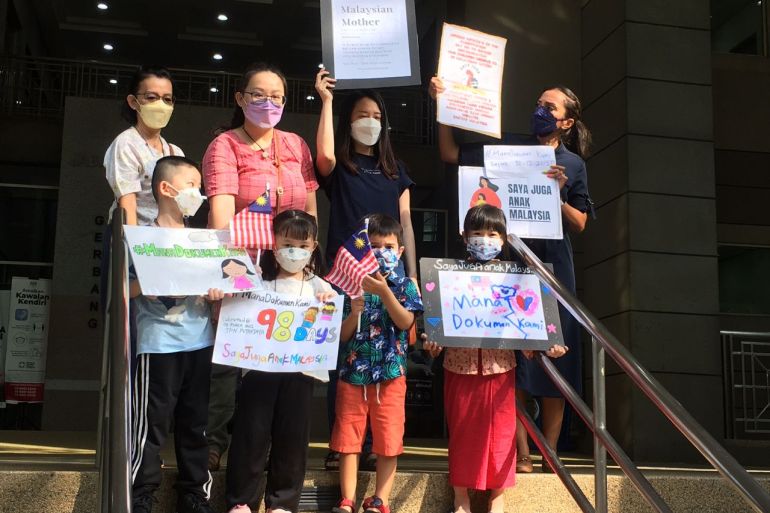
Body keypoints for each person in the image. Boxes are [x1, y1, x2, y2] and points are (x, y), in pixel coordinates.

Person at [429, 77, 594, 472]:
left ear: (567, 122)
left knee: (556, 361)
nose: (540, 111)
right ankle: (521, 452)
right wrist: (442, 106)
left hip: (554, 271)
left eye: (550, 107)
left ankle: (549, 452)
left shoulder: (573, 165)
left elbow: (580, 222)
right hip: (509, 268)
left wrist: (556, 193)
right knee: (514, 361)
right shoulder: (509, 148)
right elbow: (450, 152)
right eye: (539, 103)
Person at [202, 62, 320, 471]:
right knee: (229, 359)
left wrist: (306, 263)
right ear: (240, 98)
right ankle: (214, 441)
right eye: (258, 95)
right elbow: (221, 219)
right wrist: (229, 272)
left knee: (278, 360)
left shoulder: (296, 145)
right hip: (242, 265)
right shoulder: (225, 145)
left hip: (288, 269)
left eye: (276, 97)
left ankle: (266, 450)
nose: (268, 103)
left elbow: (310, 210)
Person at [422, 204, 568, 513]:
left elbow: (528, 325)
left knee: (502, 432)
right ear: (465, 237)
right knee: (462, 430)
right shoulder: (449, 275)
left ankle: (497, 496)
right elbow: (438, 324)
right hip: (459, 365)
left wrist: (546, 344)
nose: (484, 240)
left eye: (492, 234)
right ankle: (461, 496)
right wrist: (433, 342)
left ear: (503, 239)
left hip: (501, 365)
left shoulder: (516, 277)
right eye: (477, 233)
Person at [315, 70, 418, 469]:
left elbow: (406, 222)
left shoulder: (395, 169)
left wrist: (410, 273)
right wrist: (326, 101)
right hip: (347, 275)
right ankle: (341, 445)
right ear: (349, 120)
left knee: (385, 356)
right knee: (344, 356)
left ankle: (377, 444)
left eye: (376, 116)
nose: (370, 122)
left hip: (388, 278)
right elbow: (324, 157)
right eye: (362, 115)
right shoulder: (341, 165)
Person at [225, 210, 336, 513]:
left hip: (300, 372)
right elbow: (236, 309)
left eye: (302, 246)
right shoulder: (258, 280)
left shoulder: (320, 286)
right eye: (287, 244)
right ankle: (241, 501)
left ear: (313, 247)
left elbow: (329, 321)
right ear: (273, 243)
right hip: (258, 369)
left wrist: (327, 306)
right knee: (251, 433)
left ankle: (283, 502)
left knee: (292, 437)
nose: (294, 252)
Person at [129, 156, 220, 513]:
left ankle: (194, 493)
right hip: (158, 342)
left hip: (200, 340)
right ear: (166, 189)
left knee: (196, 422)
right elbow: (122, 290)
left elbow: (225, 281)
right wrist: (149, 282)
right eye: (192, 185)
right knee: (151, 423)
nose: (199, 193)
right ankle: (141, 493)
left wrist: (218, 290)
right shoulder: (142, 238)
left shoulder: (205, 240)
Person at [330, 214, 423, 513]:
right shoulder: (350, 285)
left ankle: (380, 499)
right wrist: (353, 313)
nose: (381, 251)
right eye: (374, 246)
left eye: (389, 246)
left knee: (388, 438)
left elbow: (405, 321)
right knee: (348, 437)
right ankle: (348, 499)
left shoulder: (406, 286)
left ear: (400, 251)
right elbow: (341, 336)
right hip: (352, 375)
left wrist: (385, 292)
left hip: (391, 375)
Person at [105, 66, 182, 227]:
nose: (160, 104)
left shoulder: (175, 152)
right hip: (134, 236)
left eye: (167, 99)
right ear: (133, 102)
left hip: (167, 238)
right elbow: (127, 204)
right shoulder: (126, 144)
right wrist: (133, 240)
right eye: (151, 97)